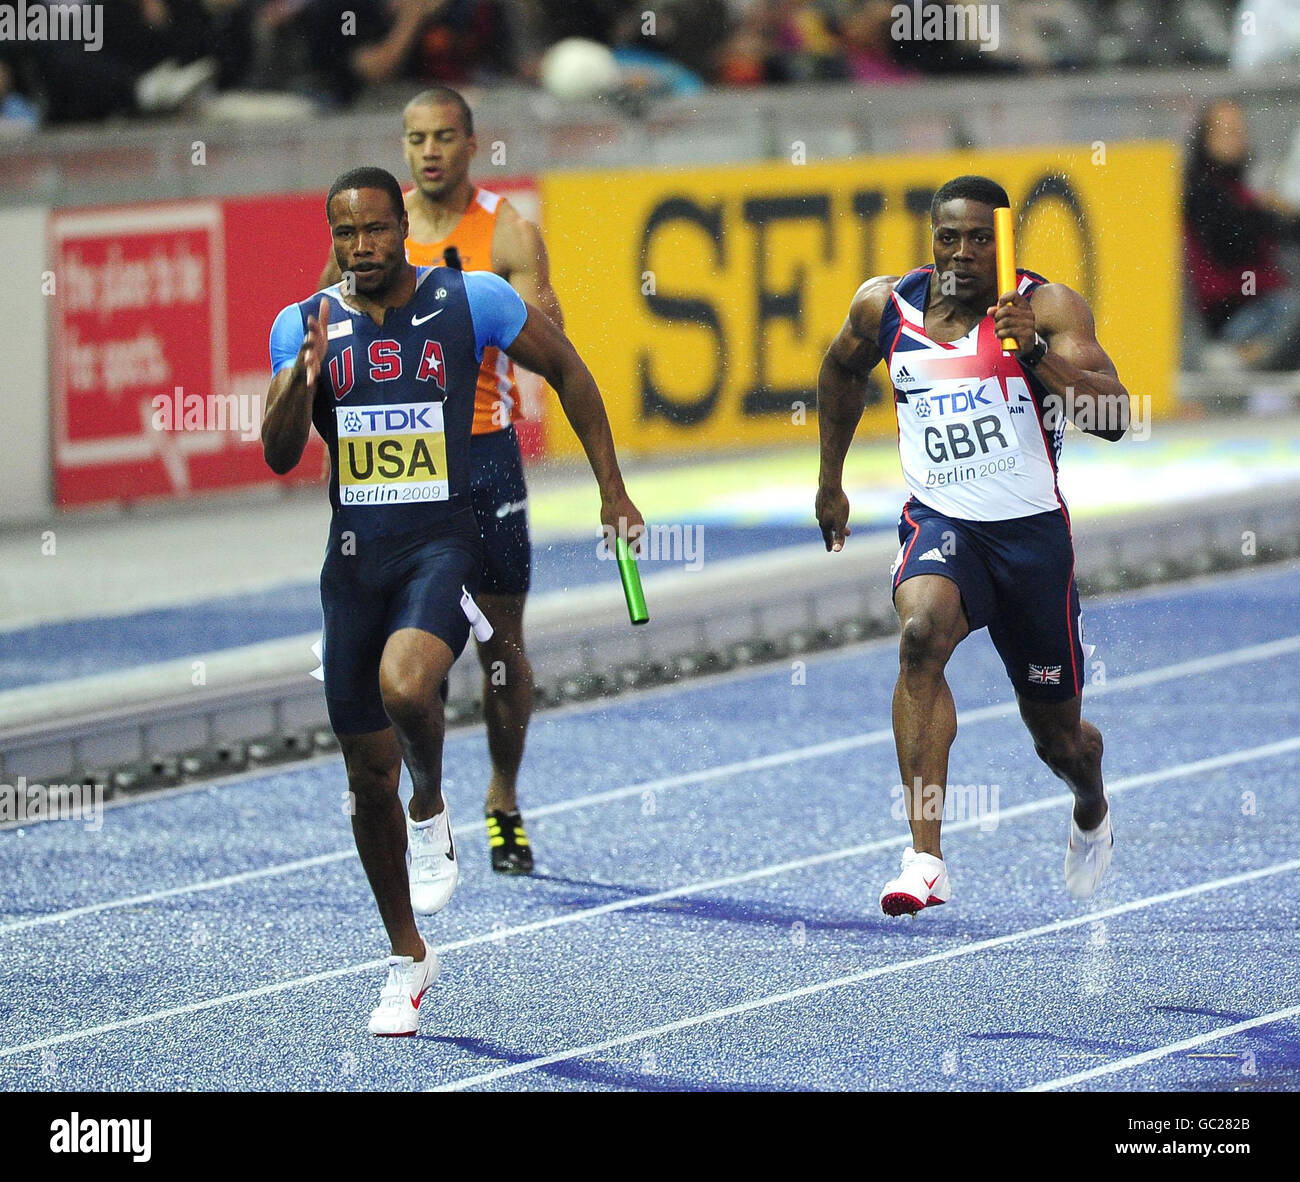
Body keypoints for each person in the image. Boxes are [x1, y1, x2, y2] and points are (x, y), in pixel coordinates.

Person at [264, 166, 642, 1033]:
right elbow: (282, 454)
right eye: (345, 235)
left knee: (409, 685)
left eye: (375, 230)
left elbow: (572, 372)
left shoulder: (472, 299)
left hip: (444, 539)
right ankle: (406, 956)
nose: (361, 248)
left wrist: (611, 489)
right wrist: (299, 379)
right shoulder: (303, 324)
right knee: (365, 780)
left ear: (405, 227)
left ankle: (432, 804)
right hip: (354, 560)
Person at [814, 174, 1129, 916]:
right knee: (921, 633)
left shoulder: (1045, 308)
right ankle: (925, 857)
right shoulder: (885, 306)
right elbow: (838, 370)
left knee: (1058, 739)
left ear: (1005, 240)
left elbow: (1114, 414)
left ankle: (1091, 802)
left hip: (1031, 543)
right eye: (948, 237)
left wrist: (1038, 358)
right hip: (943, 523)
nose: (962, 253)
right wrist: (830, 480)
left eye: (981, 238)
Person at [321, 87, 555, 876]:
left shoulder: (508, 230)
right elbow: (330, 332)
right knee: (414, 661)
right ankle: (428, 799)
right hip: (402, 476)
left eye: (444, 137)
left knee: (500, 643)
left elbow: (545, 336)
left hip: (483, 455)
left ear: (471, 143)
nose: (428, 152)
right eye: (414, 137)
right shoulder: (377, 227)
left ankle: (504, 800)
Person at [1184, 97, 1300, 373]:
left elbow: (1289, 233)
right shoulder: (1202, 192)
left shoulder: (1243, 192)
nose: (1236, 140)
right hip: (1237, 315)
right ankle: (1247, 354)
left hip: (1270, 306)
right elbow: (1231, 245)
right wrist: (1265, 211)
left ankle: (1259, 355)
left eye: (1239, 132)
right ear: (1205, 139)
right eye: (1226, 133)